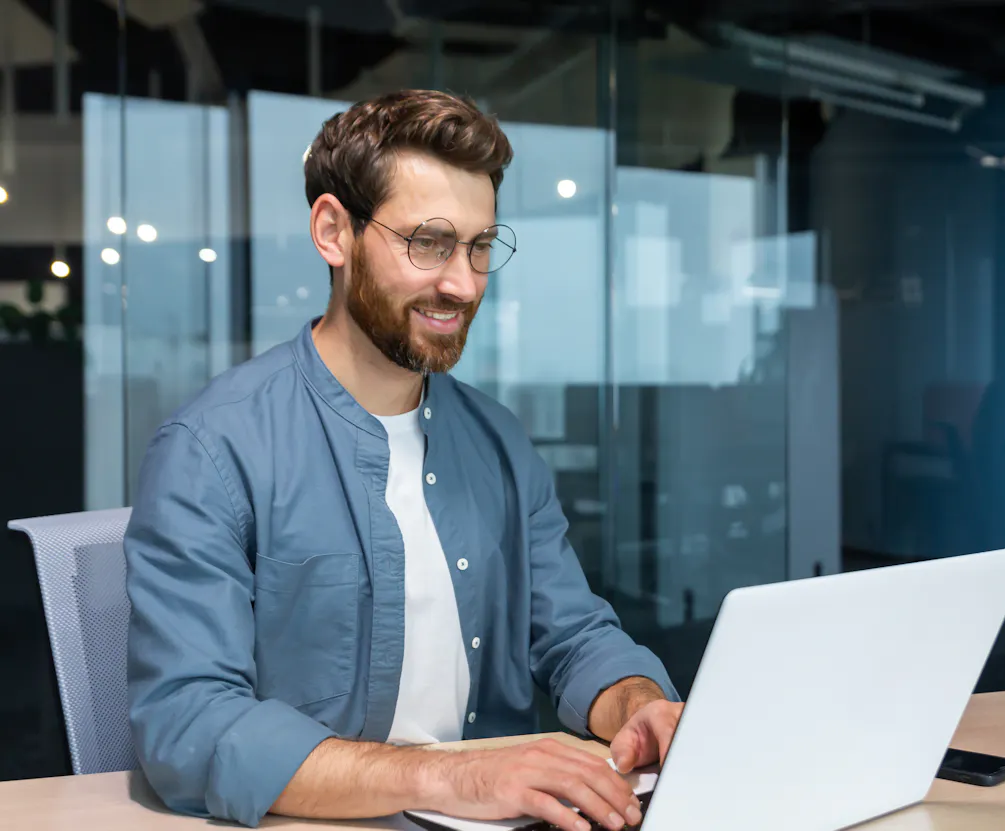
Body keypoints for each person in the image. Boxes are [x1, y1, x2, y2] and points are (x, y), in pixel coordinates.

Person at [125, 90, 681, 831]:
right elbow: (187, 724)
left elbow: (574, 634)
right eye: (429, 243)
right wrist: (451, 774)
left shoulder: (499, 442)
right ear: (334, 231)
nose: (462, 283)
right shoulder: (210, 450)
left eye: (480, 247)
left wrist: (639, 703)